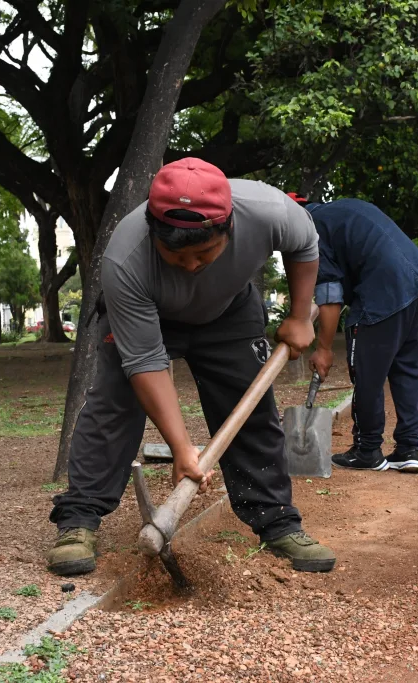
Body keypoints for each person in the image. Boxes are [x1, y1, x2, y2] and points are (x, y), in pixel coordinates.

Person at [46, 158, 336, 577]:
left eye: (204, 252)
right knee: (112, 406)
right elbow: (145, 362)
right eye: (176, 255)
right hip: (150, 313)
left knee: (251, 410)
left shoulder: (268, 210)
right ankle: (78, 518)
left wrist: (298, 314)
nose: (191, 265)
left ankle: (278, 523)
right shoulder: (125, 259)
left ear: (229, 227)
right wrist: (182, 449)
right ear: (153, 231)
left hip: (228, 311)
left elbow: (305, 245)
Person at [302, 198, 418, 474]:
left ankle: (367, 449)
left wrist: (324, 349)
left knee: (367, 375)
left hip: (382, 294)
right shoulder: (342, 210)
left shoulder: (310, 230)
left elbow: (330, 295)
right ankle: (409, 449)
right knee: (409, 372)